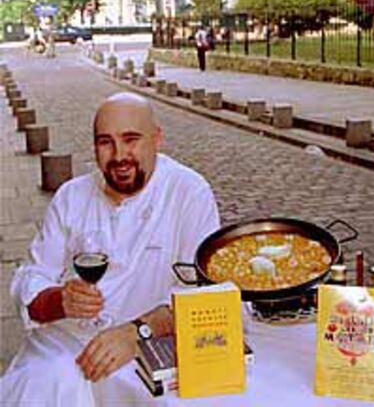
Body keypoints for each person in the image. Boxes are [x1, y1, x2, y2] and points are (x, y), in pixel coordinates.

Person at [0, 92, 220, 405]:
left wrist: (136, 333)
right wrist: (59, 300)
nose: (119, 156)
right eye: (106, 142)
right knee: (52, 379)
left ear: (157, 139)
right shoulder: (71, 196)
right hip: (65, 344)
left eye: (131, 139)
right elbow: (32, 280)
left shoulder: (188, 193)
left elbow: (201, 294)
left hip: (150, 346)